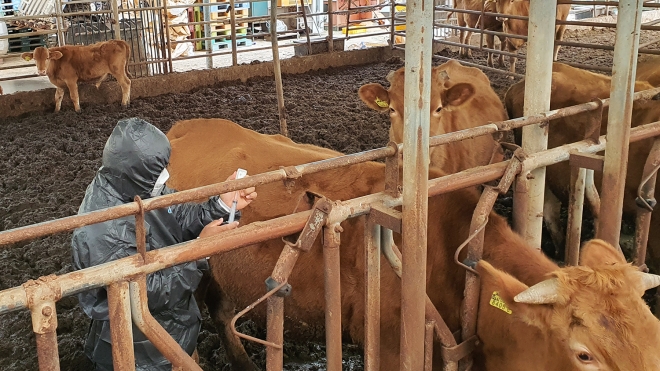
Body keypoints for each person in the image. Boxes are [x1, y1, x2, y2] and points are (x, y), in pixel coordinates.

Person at [71, 117, 257, 370]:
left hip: (169, 334)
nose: (165, 174)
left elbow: (177, 215)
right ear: (136, 169)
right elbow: (144, 294)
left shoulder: (137, 187)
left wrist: (223, 204)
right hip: (140, 353)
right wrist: (197, 252)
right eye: (159, 169)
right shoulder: (102, 228)